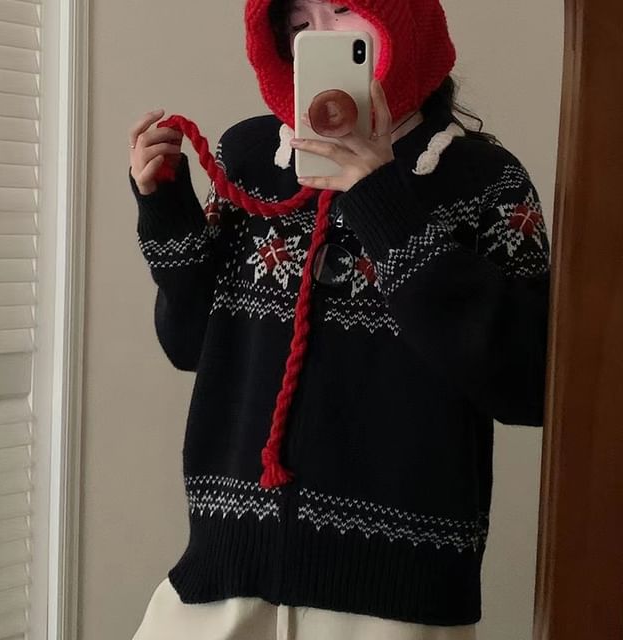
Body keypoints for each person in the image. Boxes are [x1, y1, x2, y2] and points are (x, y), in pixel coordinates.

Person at [127, 0, 551, 638]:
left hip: (394, 601)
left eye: (344, 9)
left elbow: (530, 387)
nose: (316, 38)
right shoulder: (250, 157)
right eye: (298, 24)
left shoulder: (487, 181)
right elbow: (189, 345)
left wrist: (382, 201)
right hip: (225, 575)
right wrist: (166, 210)